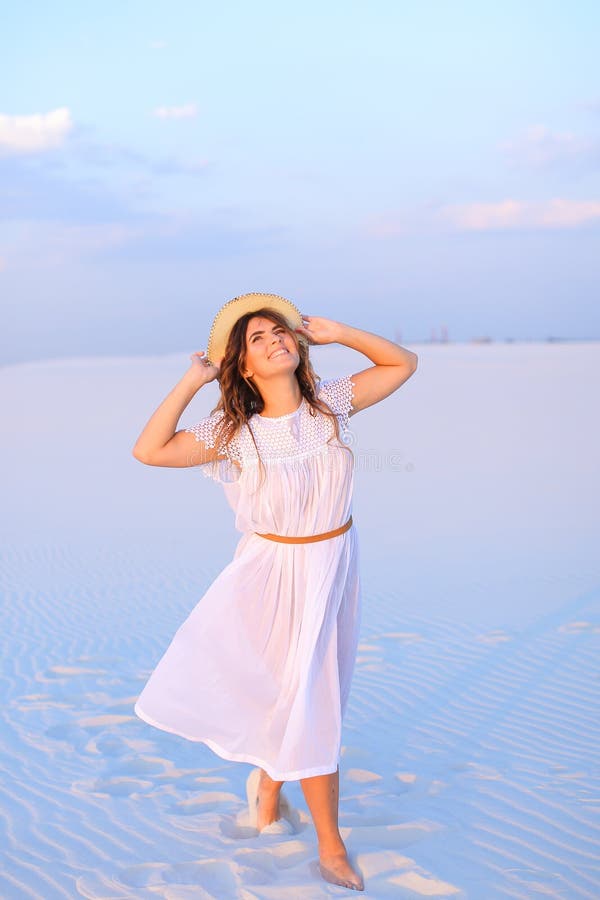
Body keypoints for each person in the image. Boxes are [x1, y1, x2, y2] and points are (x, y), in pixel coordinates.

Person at [132, 292, 418, 892]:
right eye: (257, 340)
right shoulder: (236, 432)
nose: (274, 341)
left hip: (333, 564)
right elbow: (150, 450)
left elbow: (403, 364)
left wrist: (339, 330)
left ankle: (268, 783)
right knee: (311, 704)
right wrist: (191, 379)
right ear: (244, 367)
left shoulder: (329, 406)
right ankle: (331, 846)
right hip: (270, 574)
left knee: (303, 693)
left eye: (279, 332)